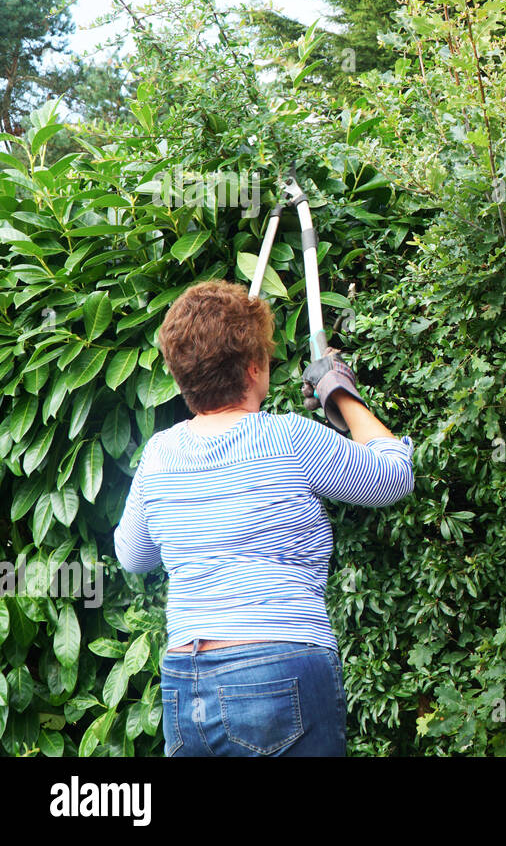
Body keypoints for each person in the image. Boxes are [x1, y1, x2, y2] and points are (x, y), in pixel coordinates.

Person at [113, 280, 415, 756]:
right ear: (254, 369)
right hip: (278, 666)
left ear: (179, 377)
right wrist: (340, 391)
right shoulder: (287, 438)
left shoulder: (158, 455)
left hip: (184, 682)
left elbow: (132, 556)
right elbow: (393, 476)